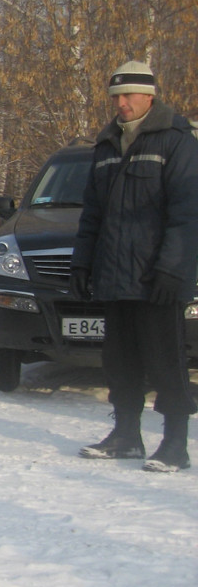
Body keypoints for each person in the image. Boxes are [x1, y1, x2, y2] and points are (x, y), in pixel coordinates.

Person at [71, 61, 198, 473]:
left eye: (128, 96)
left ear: (150, 96)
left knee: (166, 362)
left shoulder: (177, 141)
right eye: (115, 97)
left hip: (156, 278)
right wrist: (82, 263)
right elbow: (93, 213)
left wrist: (173, 269)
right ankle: (126, 436)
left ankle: (175, 444)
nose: (121, 103)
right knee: (120, 362)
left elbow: (187, 213)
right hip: (114, 275)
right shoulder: (107, 144)